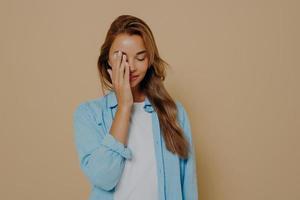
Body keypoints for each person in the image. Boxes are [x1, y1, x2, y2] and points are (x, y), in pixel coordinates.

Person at [73, 14, 198, 200]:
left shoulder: (175, 113)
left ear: (149, 61)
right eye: (121, 57)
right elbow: (104, 178)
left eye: (140, 58)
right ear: (108, 59)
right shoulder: (88, 114)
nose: (130, 67)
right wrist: (124, 106)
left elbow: (188, 184)